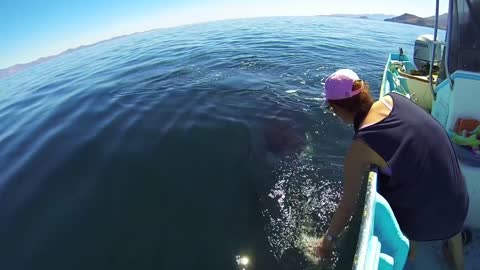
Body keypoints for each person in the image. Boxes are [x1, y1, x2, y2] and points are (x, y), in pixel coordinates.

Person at [316, 69, 469, 269]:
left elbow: (347, 207)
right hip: (461, 204)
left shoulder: (361, 147)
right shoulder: (396, 98)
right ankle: (457, 259)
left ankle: (410, 253)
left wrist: (326, 242)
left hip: (430, 225)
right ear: (364, 91)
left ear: (337, 109)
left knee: (388, 191)